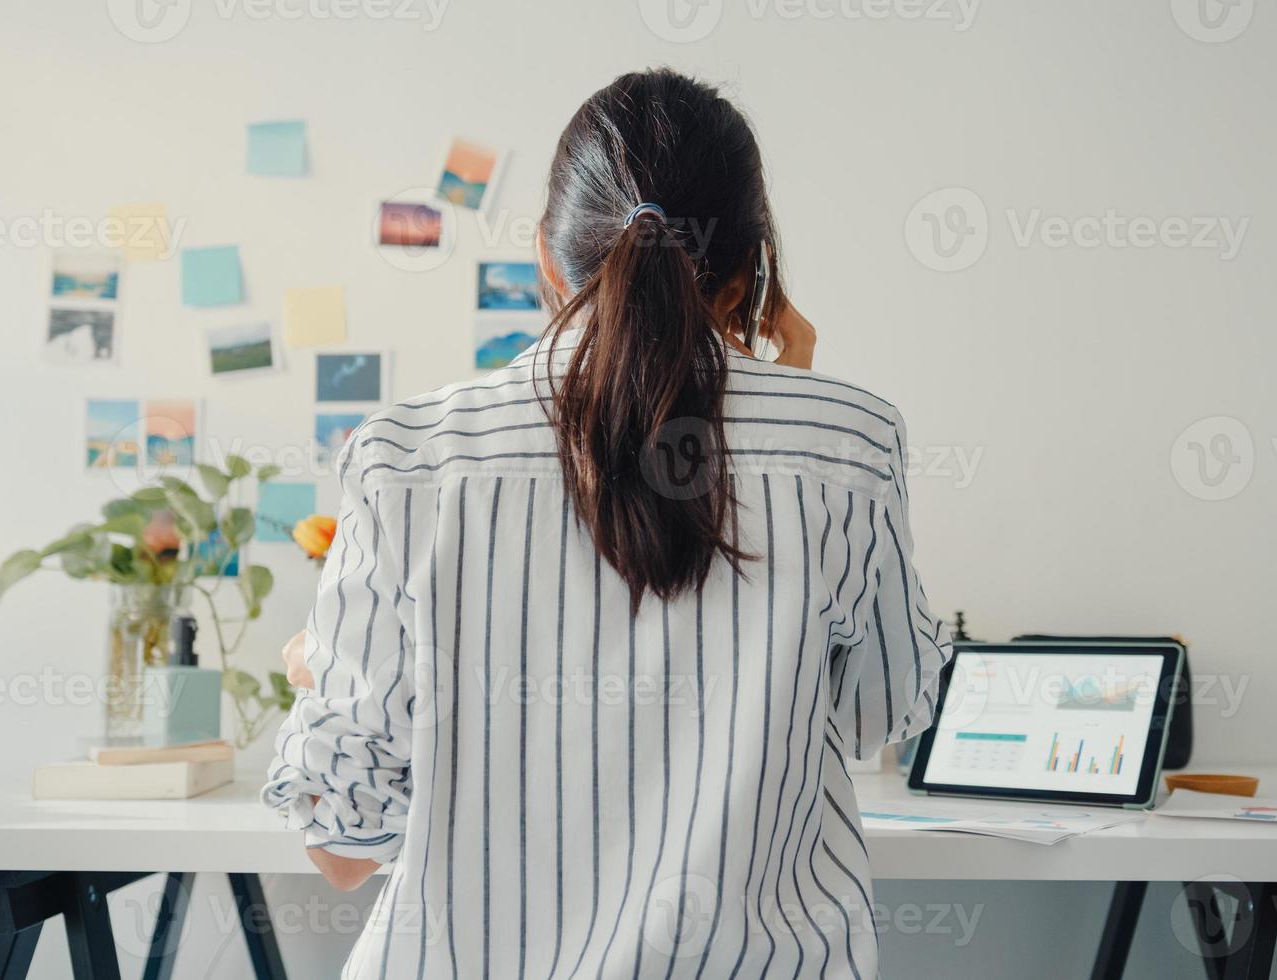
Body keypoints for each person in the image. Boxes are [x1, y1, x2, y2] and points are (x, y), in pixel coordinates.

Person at [264, 67, 952, 979]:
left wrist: (310, 665)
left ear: (547, 265)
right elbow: (879, 714)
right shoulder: (851, 442)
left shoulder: (407, 454)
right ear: (749, 272)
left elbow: (344, 845)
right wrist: (805, 385)